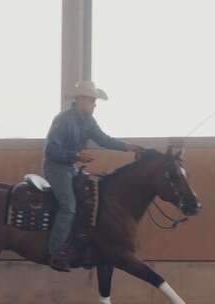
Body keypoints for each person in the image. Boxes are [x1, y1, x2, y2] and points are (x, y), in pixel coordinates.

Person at [43, 80, 142, 272]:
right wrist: (76, 156)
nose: (94, 105)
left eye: (95, 101)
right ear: (80, 99)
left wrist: (127, 147)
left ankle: (79, 244)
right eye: (91, 100)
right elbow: (50, 150)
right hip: (56, 168)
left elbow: (104, 139)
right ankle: (55, 252)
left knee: (90, 200)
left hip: (70, 168)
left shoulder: (88, 121)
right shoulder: (63, 119)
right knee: (69, 207)